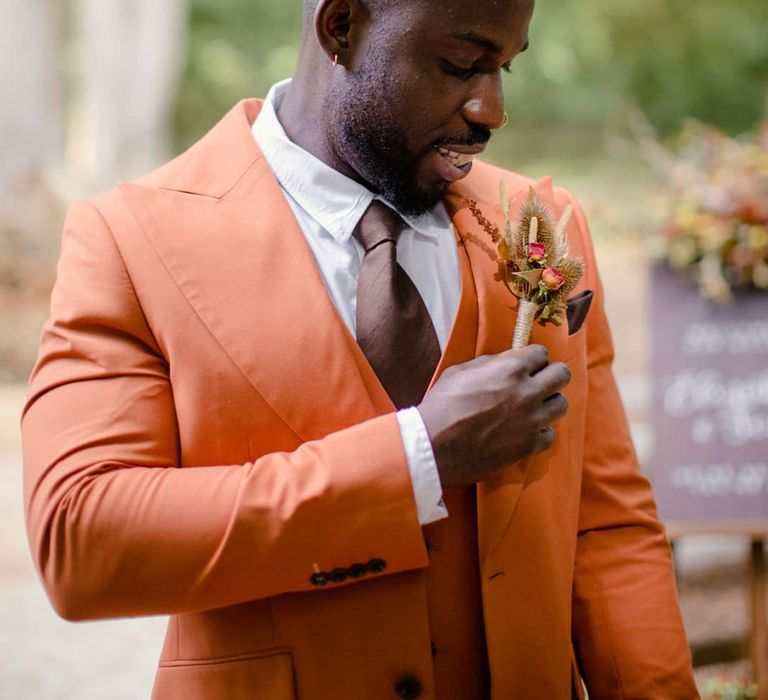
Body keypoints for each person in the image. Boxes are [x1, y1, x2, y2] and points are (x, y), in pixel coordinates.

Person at [21, 0, 699, 698]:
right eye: (462, 64)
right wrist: (418, 459)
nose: (491, 110)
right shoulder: (129, 240)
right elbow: (83, 541)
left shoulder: (544, 231)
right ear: (340, 26)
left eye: (504, 67)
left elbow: (608, 530)